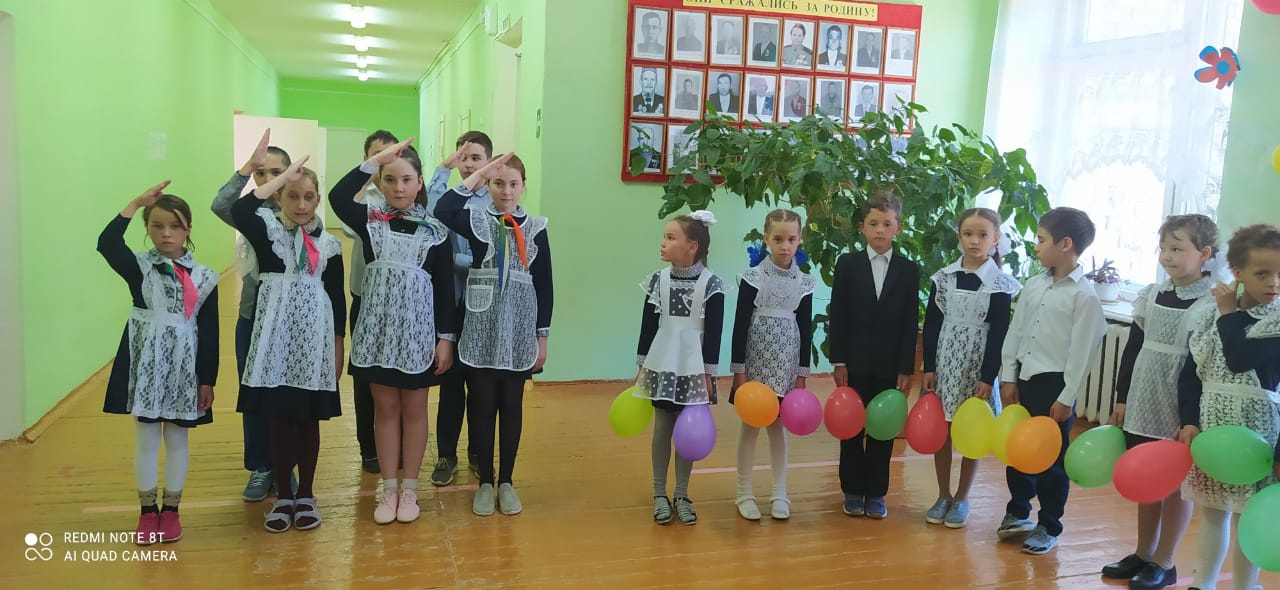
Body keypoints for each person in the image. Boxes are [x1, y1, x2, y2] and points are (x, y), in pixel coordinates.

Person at [330, 139, 457, 525]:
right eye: (389, 179)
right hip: (378, 333)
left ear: (420, 183)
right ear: (379, 182)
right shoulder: (369, 220)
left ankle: (410, 489)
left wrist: (445, 339)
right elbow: (337, 197)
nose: (398, 187)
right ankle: (388, 489)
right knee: (384, 409)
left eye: (406, 179)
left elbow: (444, 289)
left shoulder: (436, 231)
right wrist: (374, 161)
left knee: (415, 410)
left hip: (418, 334)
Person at [1102, 215, 1219, 589]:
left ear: (1204, 253)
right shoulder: (1151, 294)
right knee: (1147, 475)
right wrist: (1122, 397)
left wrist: (1191, 417)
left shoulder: (1211, 303)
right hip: (1144, 394)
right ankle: (1143, 552)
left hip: (1180, 403)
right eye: (1164, 248)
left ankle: (1165, 561)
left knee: (1175, 485)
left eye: (1177, 249)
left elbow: (1201, 367)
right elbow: (1133, 348)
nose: (1167, 256)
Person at [98, 184, 219, 545]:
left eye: (175, 226)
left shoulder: (205, 277)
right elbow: (107, 243)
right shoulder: (139, 268)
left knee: (178, 438)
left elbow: (209, 331)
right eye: (157, 225)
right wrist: (135, 203)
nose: (167, 233)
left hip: (185, 368)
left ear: (188, 229)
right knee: (147, 438)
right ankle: (147, 511)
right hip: (147, 365)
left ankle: (172, 511)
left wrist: (207, 379)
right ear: (147, 228)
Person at [435, 153, 554, 517]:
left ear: (523, 187)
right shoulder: (476, 221)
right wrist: (481, 172)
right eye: (498, 183)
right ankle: (486, 481)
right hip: (481, 329)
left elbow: (545, 285)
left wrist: (542, 337)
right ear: (488, 185)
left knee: (512, 406)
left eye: (513, 184)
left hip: (518, 330)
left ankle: (506, 481)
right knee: (482, 406)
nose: (506, 191)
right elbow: (443, 208)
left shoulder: (536, 227)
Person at [232, 157, 346, 533]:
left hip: (313, 341)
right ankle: (283, 496)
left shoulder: (329, 245)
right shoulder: (266, 233)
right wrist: (281, 177)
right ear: (279, 198)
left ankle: (307, 494)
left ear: (317, 201)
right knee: (279, 418)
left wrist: (337, 346)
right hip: (275, 341)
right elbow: (240, 208)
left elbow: (337, 301)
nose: (300, 204)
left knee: (308, 419)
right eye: (292, 196)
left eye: (308, 197)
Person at [998, 207, 1106, 555]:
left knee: (1052, 460)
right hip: (1025, 378)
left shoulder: (1084, 296)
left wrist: (1066, 396)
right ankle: (1018, 511)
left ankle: (1049, 524)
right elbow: (1016, 331)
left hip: (1055, 386)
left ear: (1066, 244)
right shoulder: (1034, 285)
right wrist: (1008, 375)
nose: (1036, 247)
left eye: (1041, 240)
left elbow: (1082, 354)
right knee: (1019, 449)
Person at [1177, 224, 1280, 590]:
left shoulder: (1275, 322)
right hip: (1214, 431)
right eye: (1262, 273)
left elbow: (1238, 357)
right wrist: (1189, 420)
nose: (1274, 282)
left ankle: (1244, 586)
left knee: (1247, 517)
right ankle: (1202, 583)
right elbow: (1191, 374)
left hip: (1258, 436)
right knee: (1213, 512)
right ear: (1237, 273)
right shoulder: (1210, 317)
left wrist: (1227, 313)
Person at [210, 129, 299, 502]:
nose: (268, 179)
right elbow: (220, 205)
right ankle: (261, 466)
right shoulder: (250, 214)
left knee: (287, 396)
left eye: (276, 172)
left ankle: (285, 465)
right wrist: (246, 167)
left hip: (290, 321)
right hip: (252, 317)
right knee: (255, 394)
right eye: (262, 174)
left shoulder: (299, 213)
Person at [921, 208, 1020, 529]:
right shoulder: (944, 278)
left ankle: (962, 497)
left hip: (977, 368)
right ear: (959, 237)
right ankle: (943, 494)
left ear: (995, 239)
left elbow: (1000, 333)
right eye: (968, 234)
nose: (974, 241)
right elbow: (932, 326)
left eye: (982, 235)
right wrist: (929, 367)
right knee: (943, 431)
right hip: (945, 364)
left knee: (971, 431)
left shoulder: (1000, 284)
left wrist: (987, 377)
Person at [830, 191, 920, 520]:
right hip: (853, 364)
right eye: (873, 223)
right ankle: (853, 490)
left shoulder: (909, 270)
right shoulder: (848, 264)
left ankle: (877, 492)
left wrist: (906, 368)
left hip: (889, 366)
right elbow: (838, 314)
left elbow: (910, 321)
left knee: (883, 429)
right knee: (851, 428)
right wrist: (839, 360)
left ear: (898, 227)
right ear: (862, 227)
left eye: (887, 223)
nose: (880, 229)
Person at [633, 211, 724, 526]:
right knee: (662, 427)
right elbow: (647, 327)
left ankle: (682, 494)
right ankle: (659, 493)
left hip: (693, 366)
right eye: (664, 236)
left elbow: (714, 334)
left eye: (671, 238)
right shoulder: (658, 280)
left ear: (692, 246)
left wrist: (709, 374)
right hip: (663, 362)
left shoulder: (711, 284)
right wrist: (642, 365)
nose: (663, 243)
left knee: (688, 429)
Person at [730, 209, 814, 521]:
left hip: (786, 364)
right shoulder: (753, 277)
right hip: (756, 363)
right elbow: (740, 325)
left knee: (778, 427)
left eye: (791, 239)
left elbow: (805, 329)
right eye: (778, 239)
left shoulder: (804, 283)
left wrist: (802, 374)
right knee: (751, 425)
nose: (785, 246)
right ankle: (744, 492)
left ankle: (780, 492)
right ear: (766, 238)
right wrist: (739, 371)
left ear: (799, 239)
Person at [426, 131, 494, 486]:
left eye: (476, 158)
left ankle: (479, 453)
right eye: (463, 157)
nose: (468, 164)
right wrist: (443, 168)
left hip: (484, 307)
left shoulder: (494, 201)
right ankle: (446, 455)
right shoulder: (449, 199)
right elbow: (431, 211)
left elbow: (488, 256)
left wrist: (459, 261)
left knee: (481, 389)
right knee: (450, 385)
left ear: (489, 162)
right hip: (452, 303)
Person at [345, 129, 398, 475]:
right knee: (365, 378)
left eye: (389, 155)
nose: (383, 162)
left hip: (399, 301)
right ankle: (368, 447)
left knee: (396, 378)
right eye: (376, 157)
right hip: (365, 298)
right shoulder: (363, 197)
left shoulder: (406, 191)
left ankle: (396, 444)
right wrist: (366, 179)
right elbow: (350, 227)